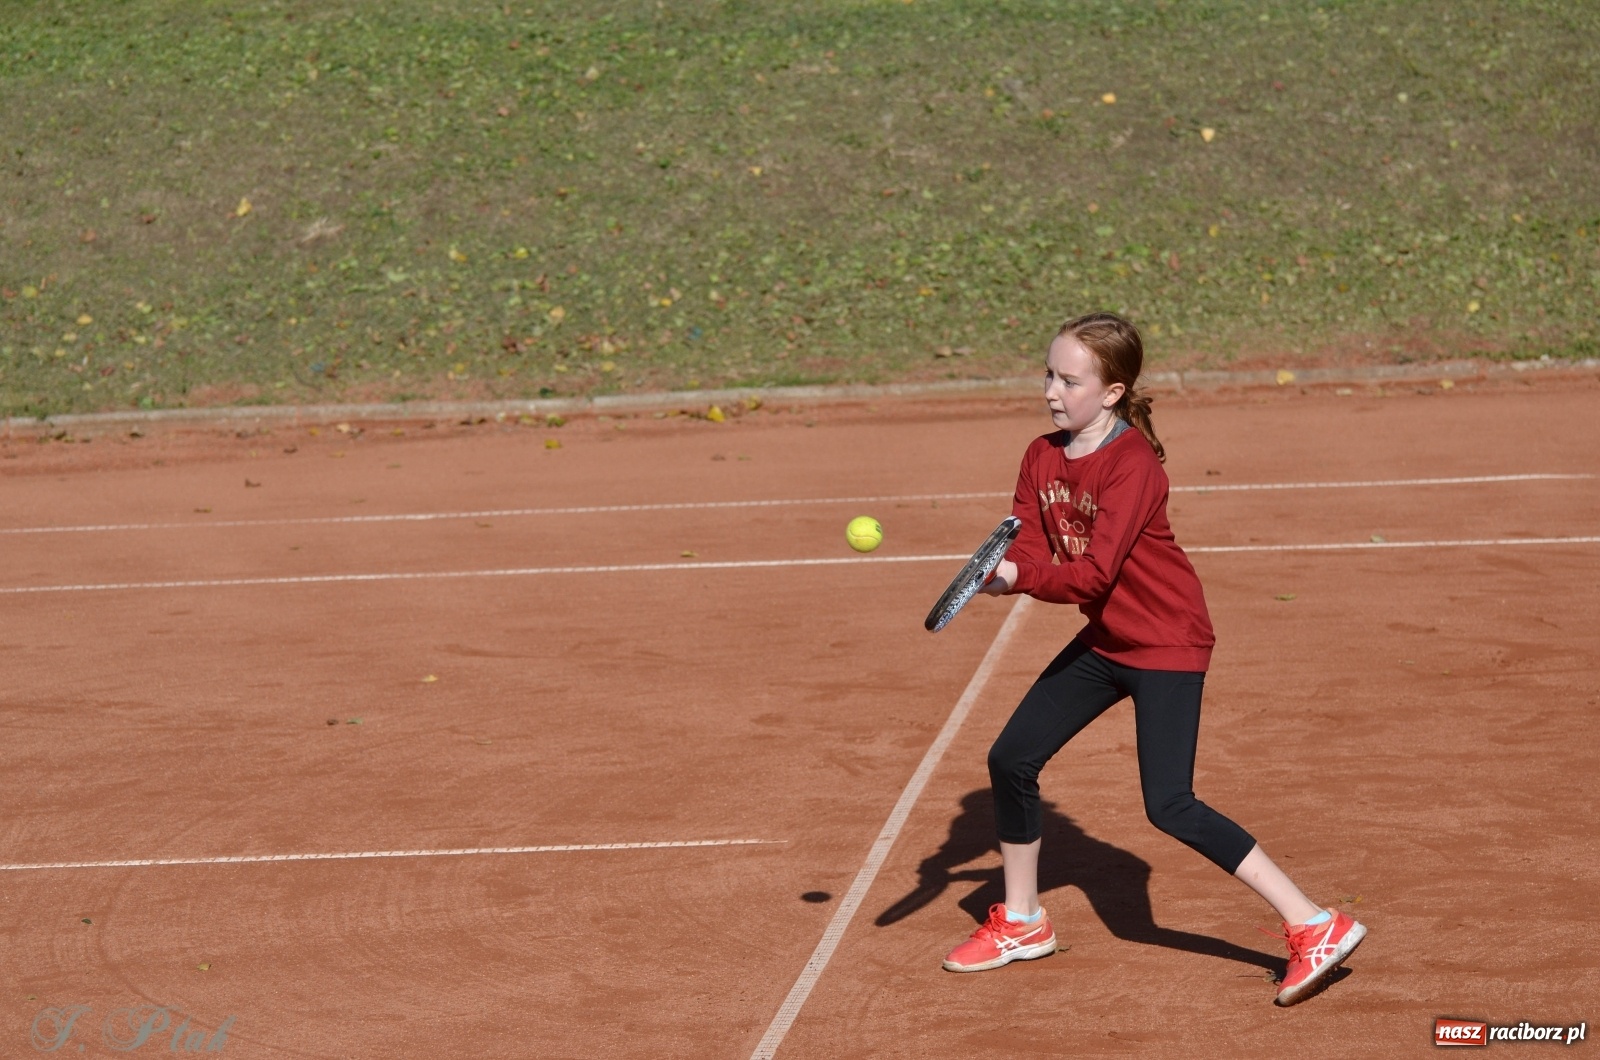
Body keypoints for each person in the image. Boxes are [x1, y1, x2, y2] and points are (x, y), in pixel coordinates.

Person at [940, 311, 1364, 1006]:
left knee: (1169, 803)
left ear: (1111, 392)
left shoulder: (1131, 465)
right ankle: (1022, 921)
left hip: (1167, 641)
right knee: (1010, 758)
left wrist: (1015, 582)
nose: (1052, 390)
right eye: (1049, 373)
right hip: (1108, 641)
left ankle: (1316, 923)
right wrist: (1007, 567)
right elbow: (1022, 540)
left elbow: (1092, 576)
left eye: (1069, 380)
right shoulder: (1041, 455)